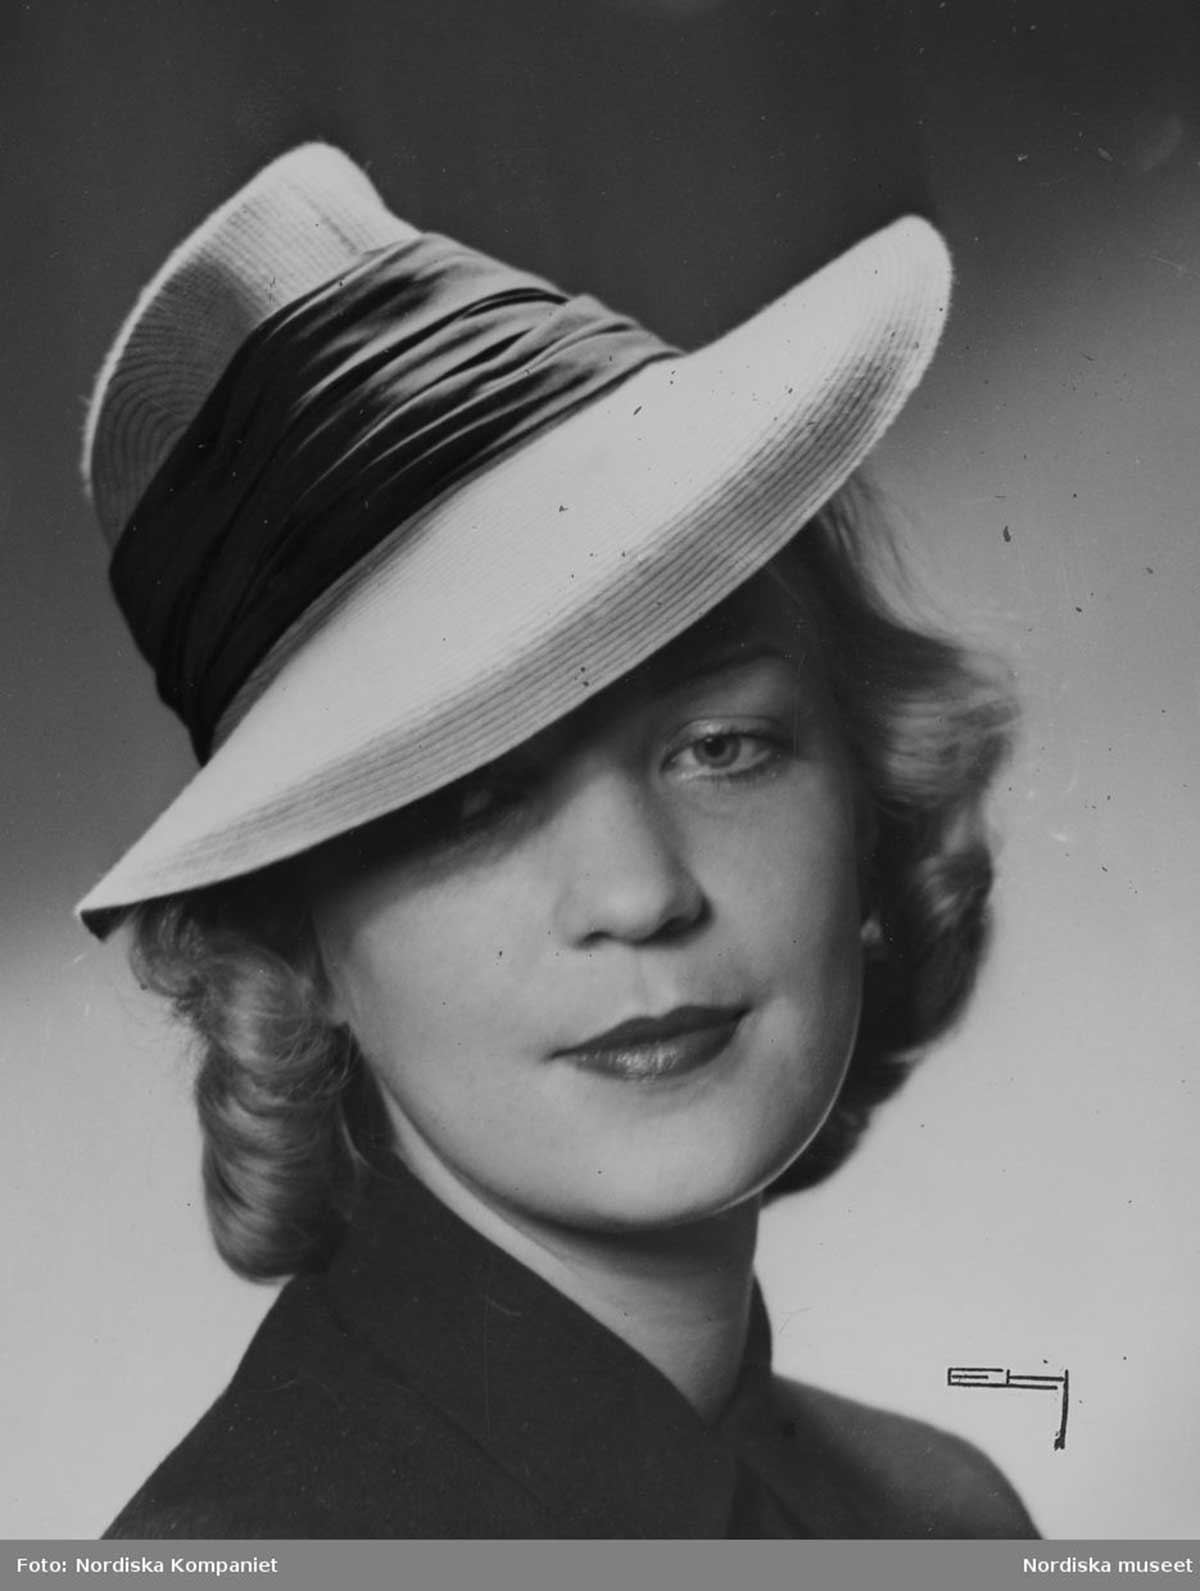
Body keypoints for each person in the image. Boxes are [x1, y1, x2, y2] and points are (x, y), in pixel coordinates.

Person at [79, 143, 1036, 1539]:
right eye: (468, 801)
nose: (641, 895)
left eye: (724, 748)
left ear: (868, 793)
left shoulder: (942, 1519)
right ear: (296, 949)